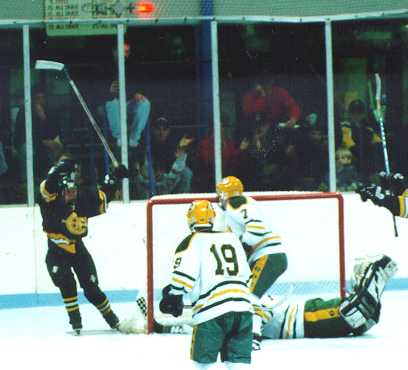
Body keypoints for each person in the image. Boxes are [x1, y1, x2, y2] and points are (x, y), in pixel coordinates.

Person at [38, 152, 128, 335]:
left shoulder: (83, 197)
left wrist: (115, 177)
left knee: (92, 288)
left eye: (74, 189)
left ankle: (112, 319)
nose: (72, 193)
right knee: (67, 283)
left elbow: (104, 194)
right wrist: (61, 166)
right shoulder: (50, 198)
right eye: (68, 190)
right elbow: (48, 185)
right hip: (56, 250)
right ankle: (75, 321)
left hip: (78, 249)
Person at [159, 200, 253, 369]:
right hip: (243, 310)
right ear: (212, 218)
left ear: (190, 219)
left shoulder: (192, 240)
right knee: (238, 365)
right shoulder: (232, 238)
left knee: (202, 365)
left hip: (212, 313)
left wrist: (173, 295)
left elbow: (183, 279)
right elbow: (247, 277)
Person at [215, 176, 288, 350]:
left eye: (220, 193)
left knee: (250, 296)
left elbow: (257, 228)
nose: (219, 197)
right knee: (246, 294)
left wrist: (244, 244)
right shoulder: (239, 205)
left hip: (268, 255)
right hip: (269, 256)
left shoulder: (235, 203)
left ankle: (253, 336)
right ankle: (258, 319)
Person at [261, 254, 397, 339]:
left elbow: (258, 312)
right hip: (301, 323)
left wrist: (253, 335)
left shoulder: (246, 296)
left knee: (351, 313)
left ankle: (375, 268)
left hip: (302, 318)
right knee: (359, 319)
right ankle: (366, 310)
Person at [14, 87, 63, 182]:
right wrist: (42, 141)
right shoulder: (24, 111)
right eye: (37, 98)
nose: (40, 101)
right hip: (29, 142)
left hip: (44, 141)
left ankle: (52, 180)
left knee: (57, 147)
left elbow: (54, 130)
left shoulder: (49, 110)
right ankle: (26, 181)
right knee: (26, 150)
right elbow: (21, 133)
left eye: (42, 98)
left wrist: (43, 119)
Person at [338, 99, 382, 182]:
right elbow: (348, 143)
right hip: (351, 162)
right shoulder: (346, 126)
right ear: (350, 113)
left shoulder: (368, 128)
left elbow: (378, 143)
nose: (356, 115)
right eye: (354, 112)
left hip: (368, 164)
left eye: (359, 112)